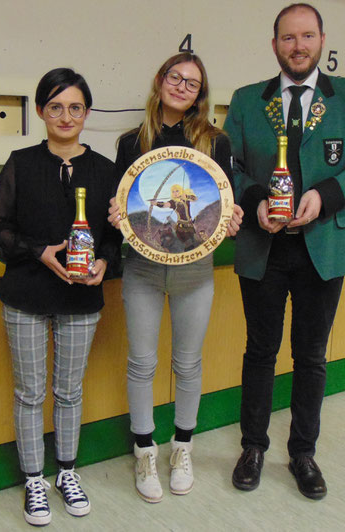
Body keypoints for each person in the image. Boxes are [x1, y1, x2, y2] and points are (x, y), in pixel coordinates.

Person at [224, 3, 345, 500]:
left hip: (323, 248)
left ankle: (302, 454)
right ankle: (252, 447)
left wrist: (327, 196)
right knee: (259, 352)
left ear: (321, 40)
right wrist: (254, 203)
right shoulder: (248, 100)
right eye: (287, 38)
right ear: (274, 44)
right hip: (263, 246)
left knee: (312, 357)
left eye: (307, 36)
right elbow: (226, 166)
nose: (298, 46)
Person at [0, 68, 121, 526]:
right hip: (25, 295)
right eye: (56, 107)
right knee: (29, 393)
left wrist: (104, 261)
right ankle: (33, 481)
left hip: (81, 300)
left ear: (87, 112)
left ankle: (65, 472)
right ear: (41, 111)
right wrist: (39, 251)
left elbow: (115, 235)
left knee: (68, 391)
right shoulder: (21, 163)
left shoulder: (105, 170)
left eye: (76, 107)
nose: (66, 116)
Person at [108, 52, 243, 503]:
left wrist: (232, 216)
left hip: (195, 268)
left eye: (193, 83)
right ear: (161, 80)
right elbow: (122, 203)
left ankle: (181, 446)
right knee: (141, 363)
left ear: (200, 95)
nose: (183, 87)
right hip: (143, 267)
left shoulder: (216, 143)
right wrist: (115, 212)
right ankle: (144, 448)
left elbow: (225, 201)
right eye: (176, 77)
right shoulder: (131, 142)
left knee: (188, 363)